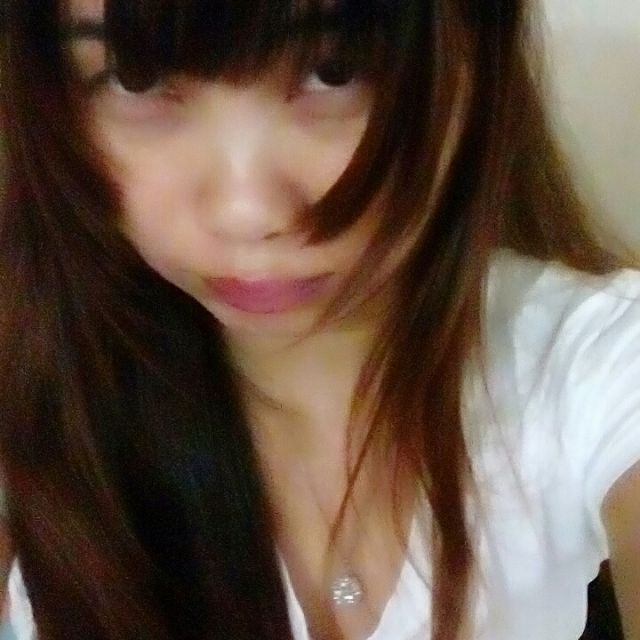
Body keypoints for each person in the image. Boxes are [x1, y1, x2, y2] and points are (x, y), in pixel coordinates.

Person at [0, 0, 638, 639]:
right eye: (135, 77)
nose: (247, 213)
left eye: (336, 70)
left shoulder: (593, 364)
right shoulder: (36, 413)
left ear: (476, 61)